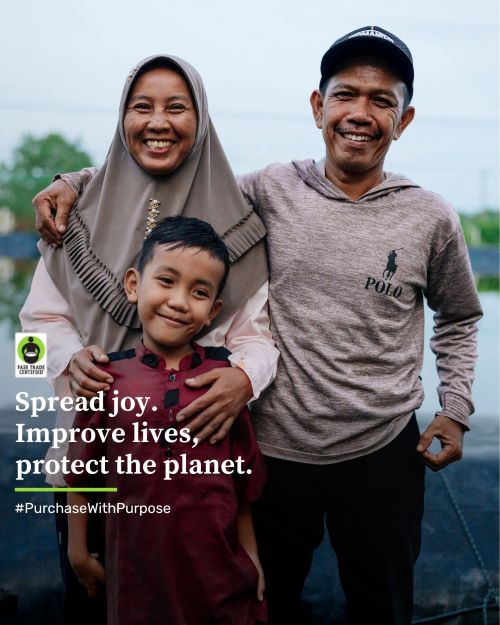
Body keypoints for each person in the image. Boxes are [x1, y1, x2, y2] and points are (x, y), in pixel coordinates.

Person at [33, 27, 483, 625]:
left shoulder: (430, 216)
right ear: (318, 106)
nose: (362, 113)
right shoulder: (268, 189)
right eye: (346, 94)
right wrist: (77, 179)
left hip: (381, 452)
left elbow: (459, 316)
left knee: (385, 606)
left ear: (404, 120)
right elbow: (168, 168)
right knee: (263, 601)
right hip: (273, 453)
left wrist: (455, 407)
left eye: (383, 101)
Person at [22, 54, 278, 624]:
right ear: (122, 118)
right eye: (142, 107)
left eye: (176, 107)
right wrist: (70, 359)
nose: (157, 121)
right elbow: (30, 336)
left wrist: (243, 377)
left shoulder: (238, 226)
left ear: (201, 119)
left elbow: (258, 338)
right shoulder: (73, 217)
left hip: (198, 492)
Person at [66, 216, 267, 625]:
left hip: (219, 578)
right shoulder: (106, 377)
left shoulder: (223, 381)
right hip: (136, 578)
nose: (179, 301)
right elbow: (80, 475)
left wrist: (252, 558)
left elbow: (242, 488)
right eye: (166, 281)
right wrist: (77, 550)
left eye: (198, 292)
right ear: (134, 285)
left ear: (213, 311)